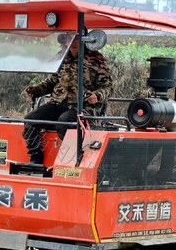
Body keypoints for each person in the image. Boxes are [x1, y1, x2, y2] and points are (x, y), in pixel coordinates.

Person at [21, 32, 112, 165]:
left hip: (82, 107)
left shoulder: (96, 60)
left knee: (65, 122)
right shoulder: (61, 57)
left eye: (77, 36)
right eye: (70, 36)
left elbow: (107, 87)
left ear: (85, 38)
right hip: (58, 103)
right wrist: (36, 90)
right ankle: (36, 159)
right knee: (30, 120)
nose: (73, 40)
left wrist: (97, 96)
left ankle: (71, 161)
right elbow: (52, 81)